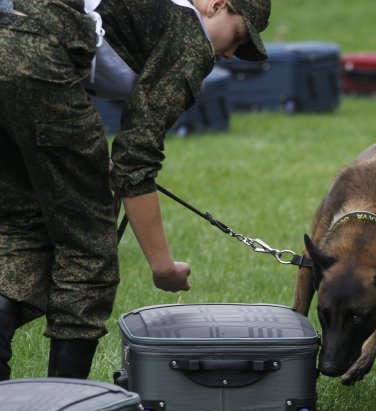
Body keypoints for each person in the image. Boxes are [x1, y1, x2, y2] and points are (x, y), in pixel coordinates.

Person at [0, 0, 271, 380]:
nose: (228, 54)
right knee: (89, 254)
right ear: (216, 5)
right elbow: (135, 159)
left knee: (22, 229)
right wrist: (163, 268)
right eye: (237, 36)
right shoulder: (191, 35)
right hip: (42, 53)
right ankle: (61, 407)